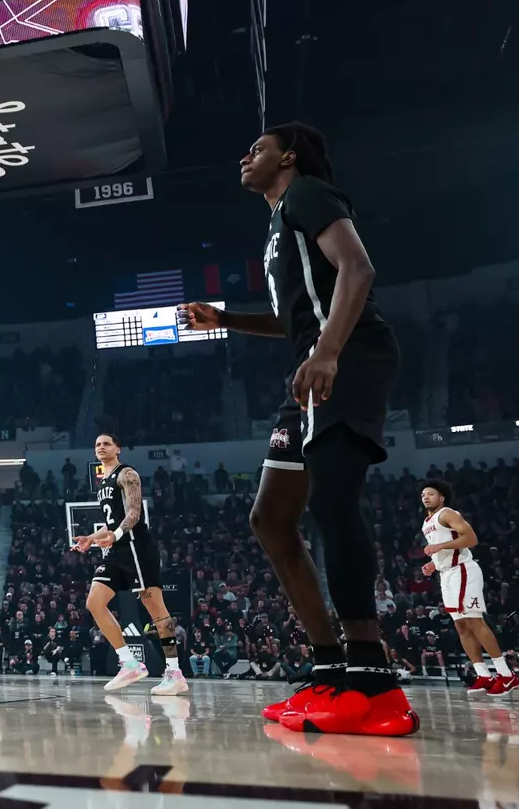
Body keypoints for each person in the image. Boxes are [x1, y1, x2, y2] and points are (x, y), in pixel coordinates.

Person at [181, 122, 413, 737]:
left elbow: (357, 271)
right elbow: (291, 321)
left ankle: (373, 679)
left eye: (255, 147)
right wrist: (225, 318)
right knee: (271, 518)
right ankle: (329, 666)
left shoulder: (309, 193)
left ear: (288, 156)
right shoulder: (278, 221)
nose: (243, 154)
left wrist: (331, 351)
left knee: (334, 505)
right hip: (310, 364)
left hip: (349, 356)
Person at [73, 433, 186, 695]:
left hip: (137, 547)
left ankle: (174, 671)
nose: (101, 447)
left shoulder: (127, 474)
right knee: (94, 602)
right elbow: (111, 523)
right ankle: (130, 663)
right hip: (117, 549)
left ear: (118, 449)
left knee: (154, 605)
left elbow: (134, 513)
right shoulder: (102, 483)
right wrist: (92, 538)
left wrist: (115, 535)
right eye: (97, 444)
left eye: (106, 444)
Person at [420, 479, 514, 694]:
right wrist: (434, 564)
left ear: (441, 497)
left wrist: (440, 546)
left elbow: (471, 538)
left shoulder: (447, 513)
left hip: (463, 570)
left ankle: (507, 675)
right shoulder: (427, 522)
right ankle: (483, 674)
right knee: (461, 625)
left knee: (474, 621)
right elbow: (444, 550)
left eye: (431, 493)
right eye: (423, 494)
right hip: (447, 574)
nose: (426, 497)